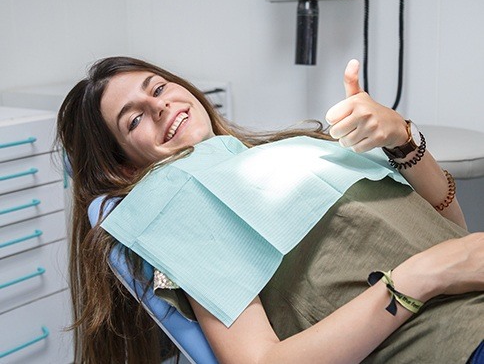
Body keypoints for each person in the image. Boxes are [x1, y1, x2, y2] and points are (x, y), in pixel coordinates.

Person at [56, 56, 484, 364]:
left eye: (159, 87)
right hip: (456, 340)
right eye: (134, 120)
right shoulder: (176, 206)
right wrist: (424, 276)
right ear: (126, 165)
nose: (160, 106)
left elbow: (449, 232)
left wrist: (402, 137)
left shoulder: (280, 149)